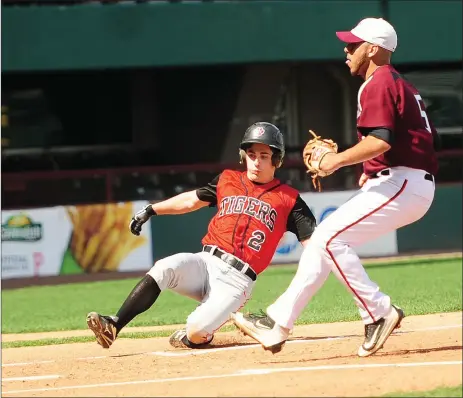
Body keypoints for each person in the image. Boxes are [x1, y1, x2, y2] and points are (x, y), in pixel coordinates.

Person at [231, 17, 440, 358]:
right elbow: (412, 138)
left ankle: (378, 311)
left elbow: (382, 140)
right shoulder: (397, 83)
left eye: (354, 44)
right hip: (401, 180)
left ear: (373, 49)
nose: (346, 49)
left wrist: (338, 160)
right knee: (321, 243)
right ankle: (278, 322)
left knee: (329, 238)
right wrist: (371, 169)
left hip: (405, 182)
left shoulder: (379, 82)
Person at [86, 122, 316, 350]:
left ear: (277, 159)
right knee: (164, 267)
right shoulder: (228, 180)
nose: (256, 161)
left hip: (238, 281)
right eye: (251, 154)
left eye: (264, 155)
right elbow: (191, 200)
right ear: (243, 156)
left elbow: (315, 244)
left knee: (196, 330)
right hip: (205, 262)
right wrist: (151, 209)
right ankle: (113, 325)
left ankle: (193, 336)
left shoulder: (290, 200)